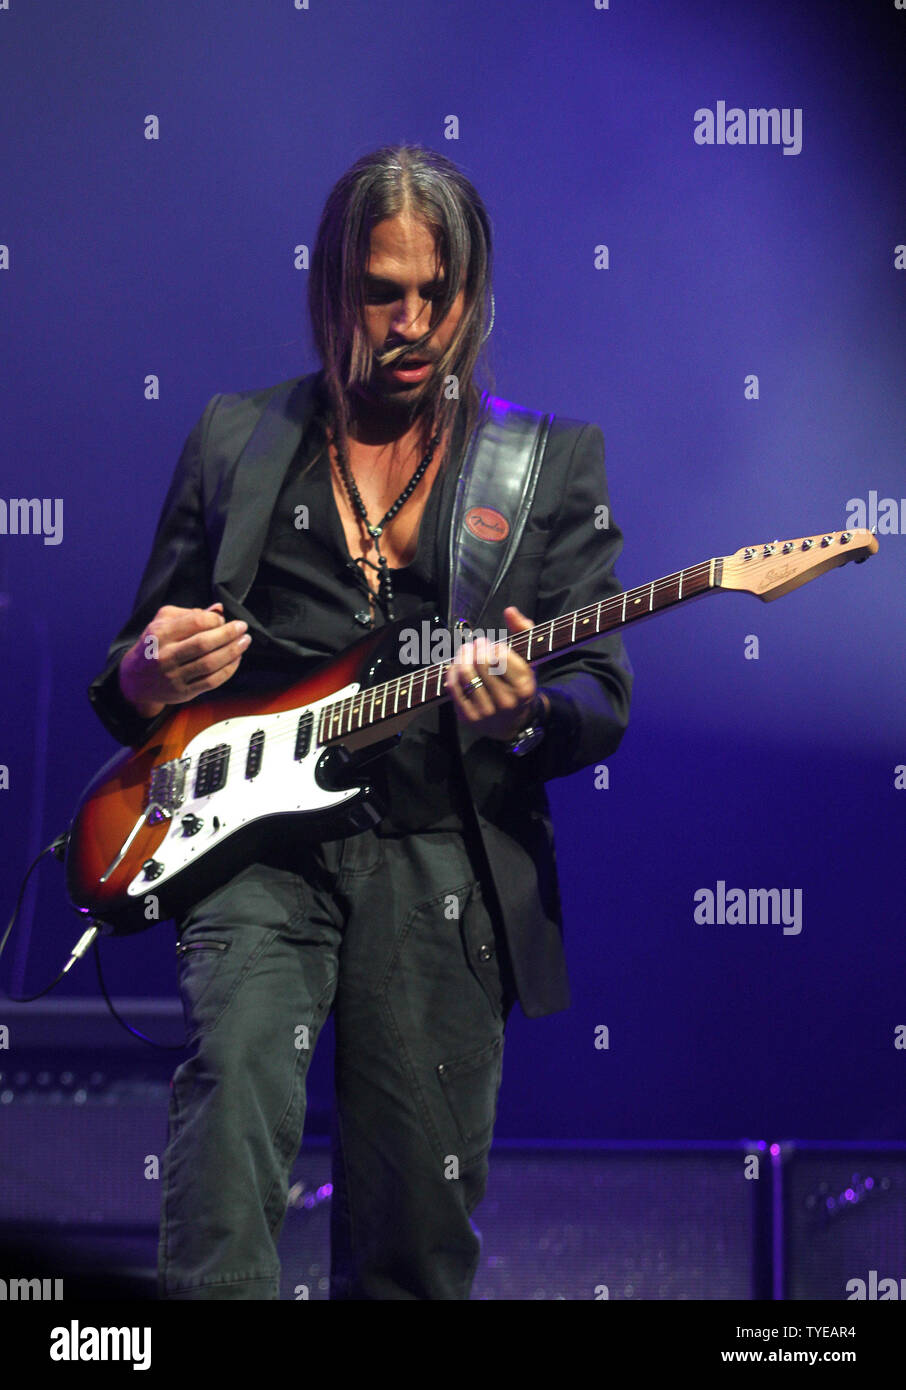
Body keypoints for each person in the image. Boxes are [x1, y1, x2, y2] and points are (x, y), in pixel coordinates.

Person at [87, 144, 633, 1300]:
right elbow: (131, 670)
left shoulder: (544, 465)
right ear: (332, 290)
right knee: (230, 1123)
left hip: (447, 856)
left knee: (412, 1235)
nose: (414, 321)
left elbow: (601, 698)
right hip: (259, 854)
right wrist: (145, 669)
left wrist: (529, 708)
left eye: (440, 293)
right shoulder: (237, 437)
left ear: (474, 293)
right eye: (383, 291)